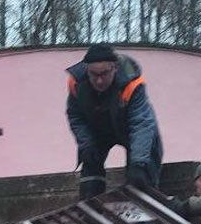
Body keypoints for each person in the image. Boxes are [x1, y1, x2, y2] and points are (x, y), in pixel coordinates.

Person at [66, 44, 163, 199]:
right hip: (97, 130)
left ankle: (143, 209)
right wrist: (86, 143)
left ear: (115, 68)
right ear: (86, 70)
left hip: (131, 129)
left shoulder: (132, 83)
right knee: (90, 163)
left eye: (104, 74)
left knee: (142, 173)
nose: (98, 81)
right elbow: (76, 116)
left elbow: (141, 123)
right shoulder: (76, 83)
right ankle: (90, 210)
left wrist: (138, 162)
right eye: (93, 74)